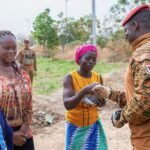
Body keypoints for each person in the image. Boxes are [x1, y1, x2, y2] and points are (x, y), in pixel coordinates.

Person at [93, 4, 150, 150]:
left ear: (135, 25)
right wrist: (109, 93)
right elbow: (139, 95)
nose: (125, 35)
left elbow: (144, 103)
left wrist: (121, 118)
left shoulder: (143, 55)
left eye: (126, 30)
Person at [63, 44, 108, 150]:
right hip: (75, 126)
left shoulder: (97, 77)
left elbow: (102, 100)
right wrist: (84, 91)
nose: (91, 62)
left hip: (93, 125)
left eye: (94, 59)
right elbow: (67, 104)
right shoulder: (70, 78)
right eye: (87, 58)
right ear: (79, 59)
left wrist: (102, 102)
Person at [0, 30, 34, 150]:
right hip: (2, 136)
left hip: (24, 132)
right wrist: (11, 136)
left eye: (14, 48)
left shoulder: (22, 70)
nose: (11, 51)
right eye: (6, 48)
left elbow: (29, 102)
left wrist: (25, 126)